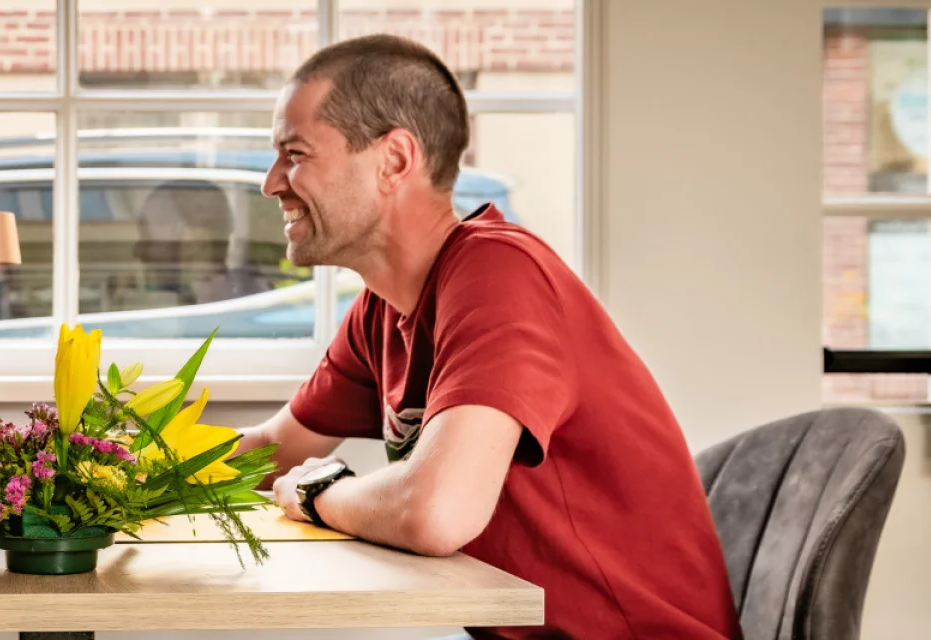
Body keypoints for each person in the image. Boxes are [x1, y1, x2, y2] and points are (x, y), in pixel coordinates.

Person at [235, 35, 742, 638]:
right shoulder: (381, 310)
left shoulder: (499, 274)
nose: (272, 182)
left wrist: (321, 493)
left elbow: (434, 513)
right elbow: (275, 448)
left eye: (295, 153)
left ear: (394, 161)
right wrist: (118, 471)